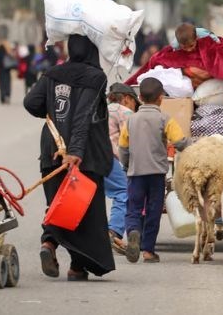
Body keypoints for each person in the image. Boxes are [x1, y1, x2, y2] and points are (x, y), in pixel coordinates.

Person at [23, 34, 115, 281]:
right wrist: (75, 152)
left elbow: (31, 102)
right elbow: (83, 115)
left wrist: (52, 109)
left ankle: (49, 246)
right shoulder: (95, 77)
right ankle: (76, 267)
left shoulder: (54, 73)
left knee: (58, 205)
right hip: (81, 155)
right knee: (82, 210)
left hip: (52, 149)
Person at [118, 77, 189, 264]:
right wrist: (195, 146)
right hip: (157, 174)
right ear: (160, 98)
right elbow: (180, 142)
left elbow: (123, 147)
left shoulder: (131, 120)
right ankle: (148, 251)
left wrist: (127, 165)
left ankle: (133, 231)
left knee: (133, 208)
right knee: (153, 210)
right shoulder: (165, 119)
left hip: (136, 173)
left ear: (139, 97)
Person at [105, 83, 140, 255]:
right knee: (123, 192)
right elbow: (131, 141)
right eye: (134, 103)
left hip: (87, 157)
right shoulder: (124, 112)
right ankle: (113, 232)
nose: (135, 108)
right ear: (127, 98)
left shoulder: (101, 108)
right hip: (107, 158)